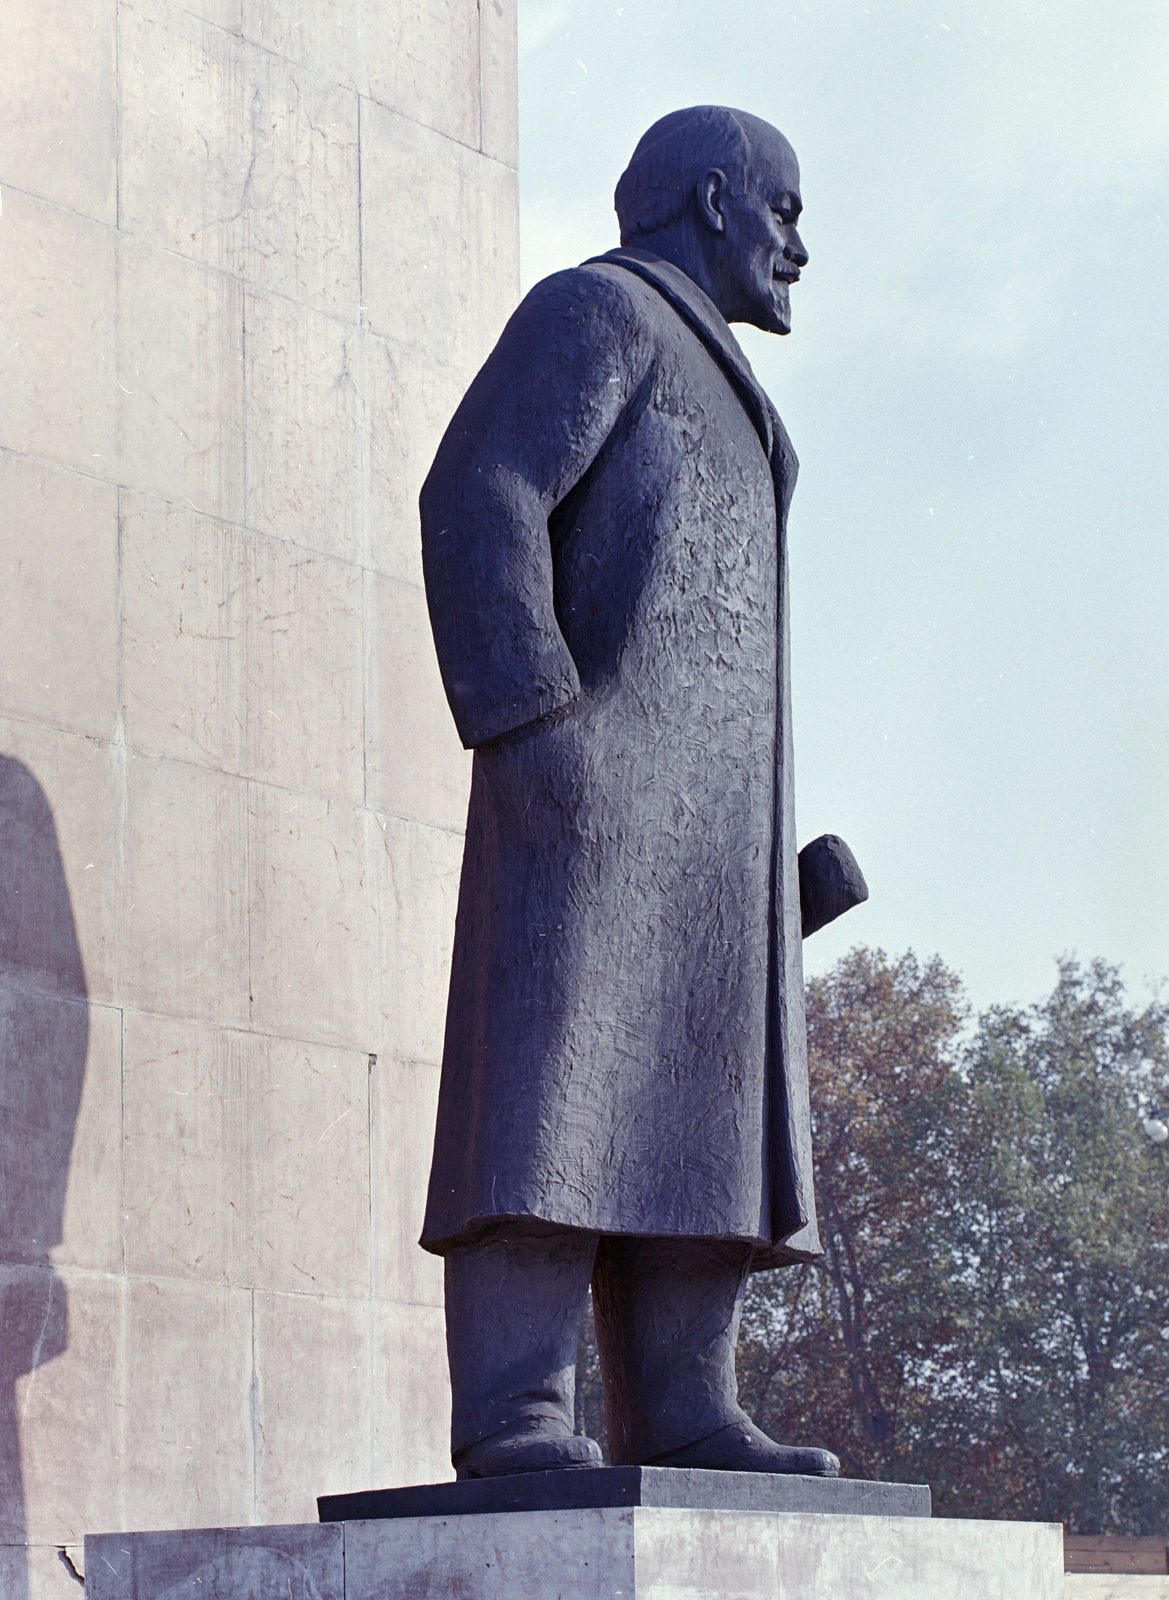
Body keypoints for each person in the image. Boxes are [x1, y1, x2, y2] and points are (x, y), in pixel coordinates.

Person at [418, 106, 859, 1480]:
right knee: (554, 1094)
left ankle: (685, 1409)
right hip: (588, 793)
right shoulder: (598, 312)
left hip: (707, 838)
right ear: (711, 198)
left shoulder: (723, 377)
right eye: (783, 211)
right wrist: (535, 722)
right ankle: (519, 1417)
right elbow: (478, 494)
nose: (798, 244)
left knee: (702, 1111)